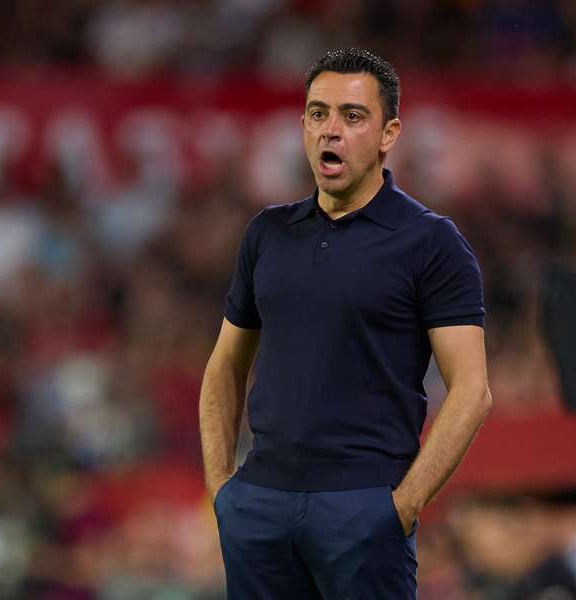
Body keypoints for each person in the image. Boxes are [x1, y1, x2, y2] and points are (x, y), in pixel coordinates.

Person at [198, 47, 492, 599]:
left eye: (352, 117)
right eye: (317, 113)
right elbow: (225, 365)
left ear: (389, 133)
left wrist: (401, 508)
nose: (330, 130)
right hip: (260, 503)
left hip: (363, 507)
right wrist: (223, 491)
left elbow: (472, 391)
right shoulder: (267, 233)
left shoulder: (431, 242)